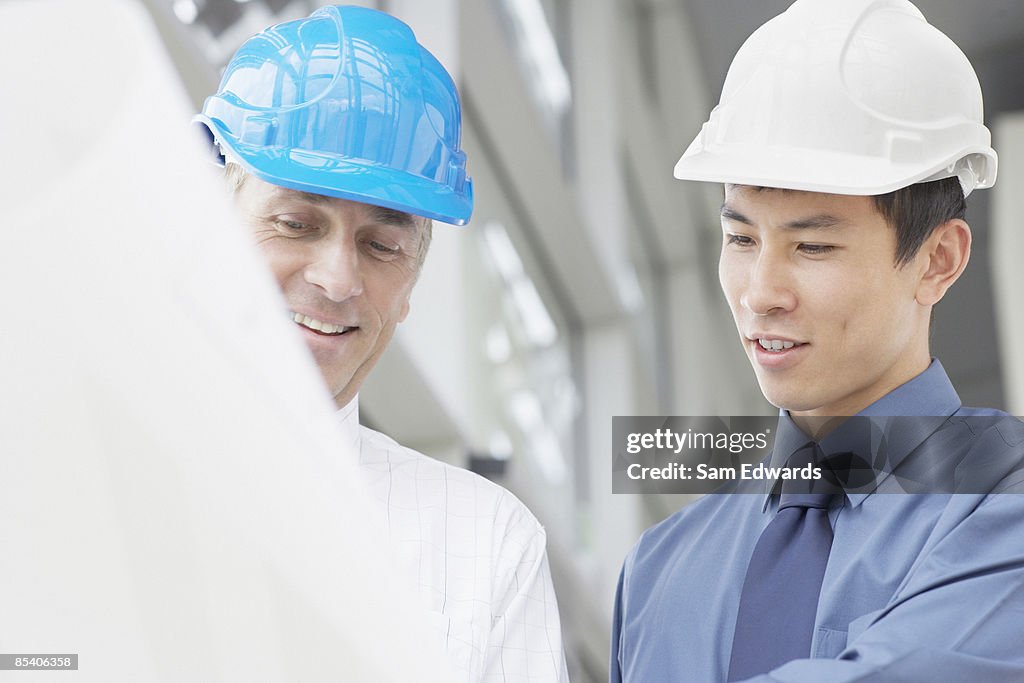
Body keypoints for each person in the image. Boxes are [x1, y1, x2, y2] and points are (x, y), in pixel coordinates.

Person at [611, 0, 1024, 681]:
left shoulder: (1003, 506)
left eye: (813, 244)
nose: (760, 291)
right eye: (741, 237)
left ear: (937, 260)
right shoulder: (658, 570)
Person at [195, 6, 568, 682]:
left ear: (412, 280)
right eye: (295, 222)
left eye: (382, 245)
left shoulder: (485, 544)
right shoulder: (76, 467)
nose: (338, 279)